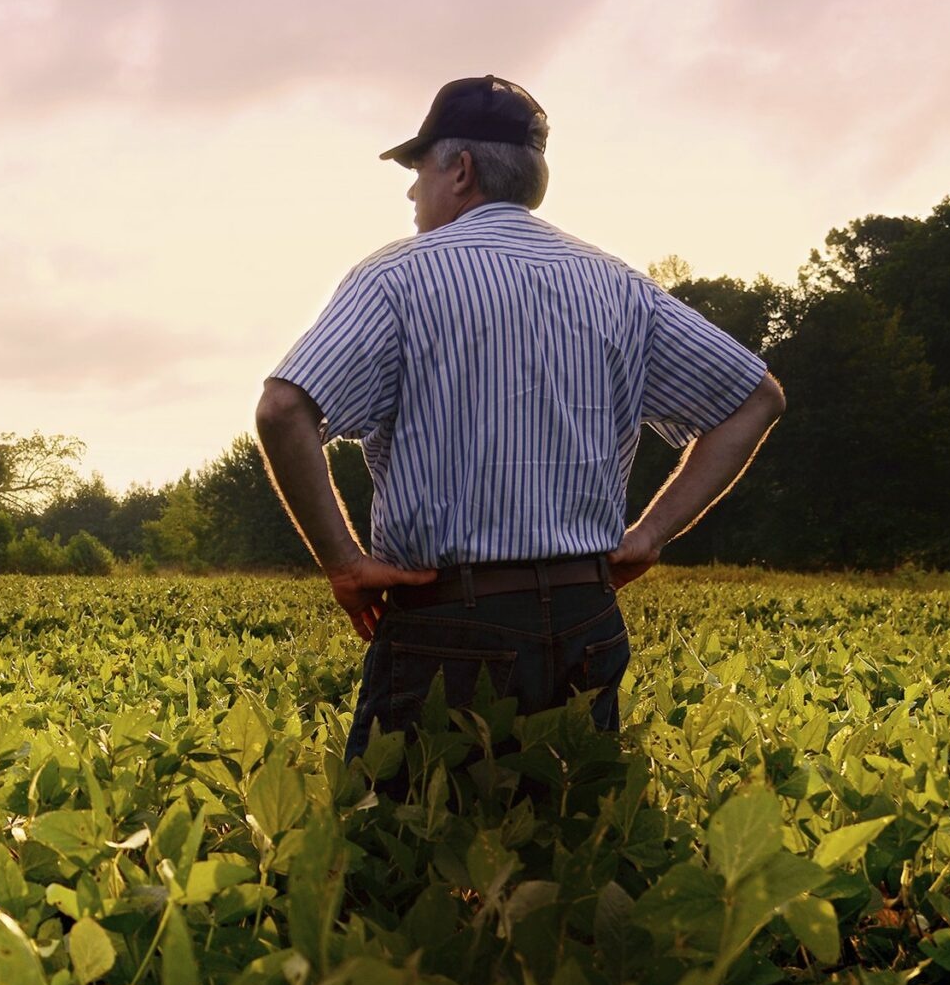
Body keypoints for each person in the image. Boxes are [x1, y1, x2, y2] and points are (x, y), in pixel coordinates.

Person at [253, 74, 786, 750]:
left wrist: (344, 563)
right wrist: (650, 535)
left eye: (418, 173)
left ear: (462, 171)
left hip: (448, 624)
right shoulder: (617, 284)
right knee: (567, 843)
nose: (413, 193)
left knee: (403, 843)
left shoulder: (397, 277)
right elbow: (757, 398)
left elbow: (283, 409)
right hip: (586, 617)